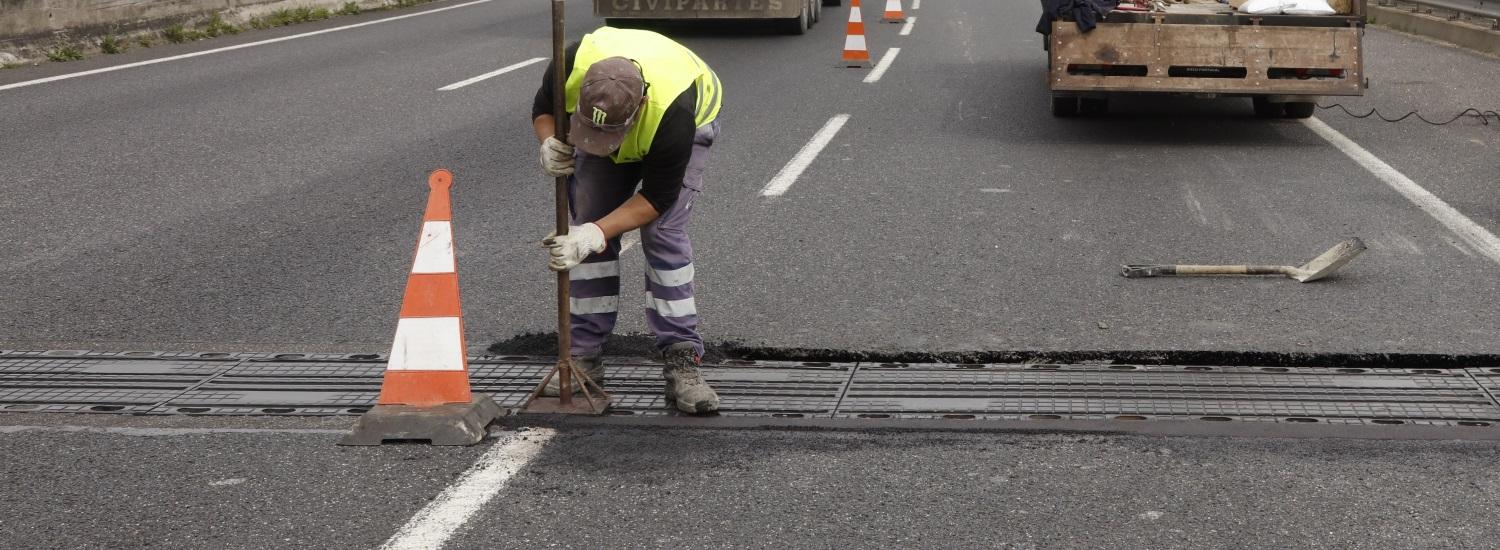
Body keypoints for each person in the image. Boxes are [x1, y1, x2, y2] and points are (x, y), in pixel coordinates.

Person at [532, 26, 723, 414]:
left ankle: (681, 358)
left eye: (612, 132)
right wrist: (549, 141)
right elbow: (544, 110)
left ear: (641, 106)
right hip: (626, 111)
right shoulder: (570, 63)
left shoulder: (674, 114)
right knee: (587, 223)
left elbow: (656, 198)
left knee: (663, 234)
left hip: (689, 123)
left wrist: (593, 234)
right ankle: (582, 356)